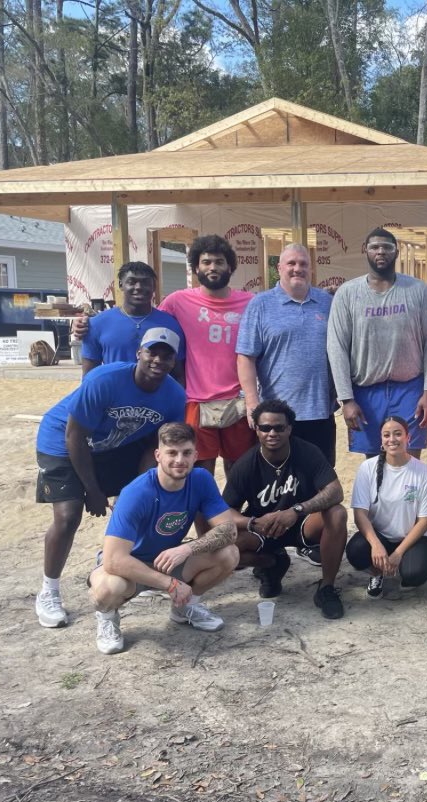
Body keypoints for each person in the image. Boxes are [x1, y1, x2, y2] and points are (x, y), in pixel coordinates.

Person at [33, 329, 186, 629]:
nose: (158, 360)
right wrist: (93, 490)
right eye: (152, 352)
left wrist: (145, 489)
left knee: (142, 503)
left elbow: (156, 445)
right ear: (138, 353)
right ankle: (49, 590)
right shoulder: (105, 379)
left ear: (174, 361)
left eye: (166, 355)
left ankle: (116, 563)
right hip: (62, 442)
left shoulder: (174, 395)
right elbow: (74, 435)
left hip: (113, 446)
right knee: (68, 516)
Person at [88, 423, 238, 654]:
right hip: (131, 567)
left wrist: (187, 550)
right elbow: (114, 560)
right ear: (158, 455)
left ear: (196, 455)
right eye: (172, 453)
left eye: (187, 453)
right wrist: (170, 584)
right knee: (109, 587)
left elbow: (229, 531)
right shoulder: (136, 493)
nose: (180, 460)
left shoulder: (200, 480)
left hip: (168, 560)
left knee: (229, 554)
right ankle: (107, 618)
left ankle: (185, 608)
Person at [222, 399, 349, 618]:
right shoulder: (245, 464)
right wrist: (253, 522)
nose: (272, 433)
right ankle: (271, 564)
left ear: (289, 428)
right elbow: (225, 513)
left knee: (337, 513)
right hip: (264, 528)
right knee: (225, 542)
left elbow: (335, 491)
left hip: (302, 522)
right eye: (265, 428)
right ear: (257, 429)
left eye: (279, 427)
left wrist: (296, 510)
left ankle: (326, 588)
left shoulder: (307, 452)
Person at [327, 227, 427, 458]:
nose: (381, 252)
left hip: (409, 389)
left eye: (387, 247)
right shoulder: (347, 294)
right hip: (366, 391)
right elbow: (337, 347)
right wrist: (347, 399)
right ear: (365, 251)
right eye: (375, 247)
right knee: (374, 461)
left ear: (397, 252)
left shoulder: (418, 291)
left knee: (408, 460)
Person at [157, 235, 256, 474]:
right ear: (195, 268)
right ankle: (204, 513)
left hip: (238, 400)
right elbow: (149, 323)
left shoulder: (251, 302)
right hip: (197, 401)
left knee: (240, 469)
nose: (213, 267)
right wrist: (90, 324)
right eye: (206, 262)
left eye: (219, 262)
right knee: (201, 470)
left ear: (230, 266)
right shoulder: (177, 301)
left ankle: (234, 511)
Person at [236, 244, 338, 467]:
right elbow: (245, 357)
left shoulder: (327, 303)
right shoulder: (260, 305)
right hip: (276, 416)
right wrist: (252, 401)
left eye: (303, 264)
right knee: (277, 478)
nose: (297, 269)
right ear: (279, 267)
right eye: (291, 263)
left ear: (311, 269)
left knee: (320, 480)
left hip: (319, 411)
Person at [347, 416, 427, 598]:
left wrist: (398, 553)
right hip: (381, 536)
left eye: (398, 434)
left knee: (413, 576)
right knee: (355, 551)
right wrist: (376, 546)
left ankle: (416, 561)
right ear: (381, 440)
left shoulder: (422, 471)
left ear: (408, 438)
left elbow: (424, 521)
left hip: (412, 537)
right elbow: (360, 514)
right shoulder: (367, 468)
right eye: (386, 435)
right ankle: (377, 573)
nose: (392, 439)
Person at [80, 262, 185, 383]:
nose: (139, 287)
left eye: (145, 282)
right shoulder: (97, 324)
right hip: (114, 397)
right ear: (121, 284)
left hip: (157, 398)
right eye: (132, 282)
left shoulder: (170, 325)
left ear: (154, 286)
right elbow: (89, 376)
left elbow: (179, 375)